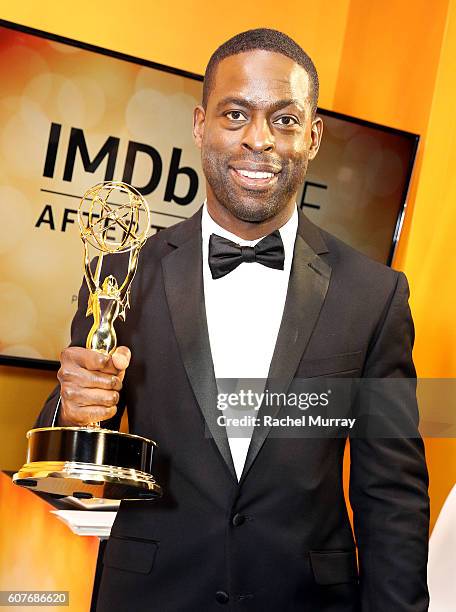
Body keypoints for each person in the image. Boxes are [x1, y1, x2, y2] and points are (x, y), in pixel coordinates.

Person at [35, 28, 430, 611]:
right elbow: (60, 470)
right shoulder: (121, 272)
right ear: (200, 125)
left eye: (286, 119)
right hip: (150, 595)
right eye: (236, 114)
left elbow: (392, 496)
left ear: (314, 135)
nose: (260, 140)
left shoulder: (376, 295)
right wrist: (73, 410)